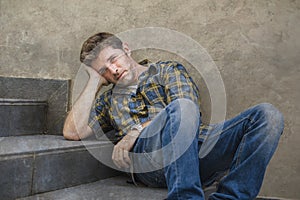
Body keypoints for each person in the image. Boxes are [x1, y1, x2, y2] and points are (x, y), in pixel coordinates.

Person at [63, 32, 284, 200]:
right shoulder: (108, 98)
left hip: (197, 150)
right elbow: (73, 132)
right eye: (103, 70)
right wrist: (93, 81)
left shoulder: (167, 70)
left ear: (126, 49)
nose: (113, 70)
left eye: (113, 59)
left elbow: (188, 108)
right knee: (181, 107)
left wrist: (135, 131)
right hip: (151, 162)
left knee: (268, 115)